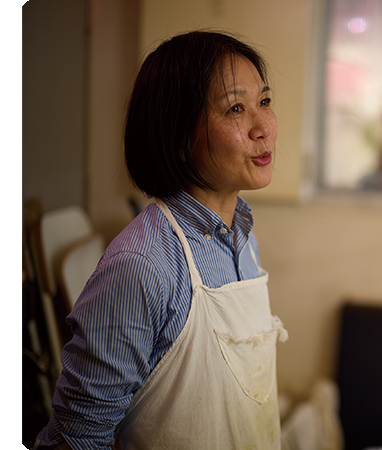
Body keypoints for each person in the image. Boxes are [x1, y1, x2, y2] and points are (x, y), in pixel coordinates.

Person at [34, 30, 287, 449]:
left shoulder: (243, 239)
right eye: (235, 108)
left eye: (264, 101)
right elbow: (78, 438)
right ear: (180, 137)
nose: (264, 127)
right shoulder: (143, 265)